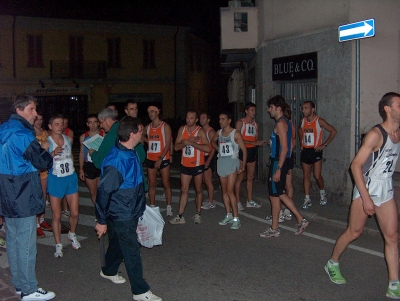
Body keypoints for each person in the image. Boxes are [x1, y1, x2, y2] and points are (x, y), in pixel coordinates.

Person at [325, 92, 400, 299]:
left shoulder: (397, 132)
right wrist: (366, 198)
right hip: (367, 186)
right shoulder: (376, 134)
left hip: (386, 188)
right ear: (388, 109)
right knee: (354, 232)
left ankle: (394, 284)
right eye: (399, 105)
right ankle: (332, 263)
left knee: (393, 237)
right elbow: (355, 165)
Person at [95, 116, 162, 301]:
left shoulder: (130, 150)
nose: (143, 133)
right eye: (141, 130)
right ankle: (140, 291)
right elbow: (103, 193)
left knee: (118, 242)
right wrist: (101, 221)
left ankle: (108, 270)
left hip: (130, 208)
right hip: (121, 212)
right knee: (132, 250)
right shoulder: (115, 161)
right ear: (132, 134)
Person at [0, 95, 55, 300]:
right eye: (31, 109)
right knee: (25, 243)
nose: (35, 114)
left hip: (6, 192)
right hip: (21, 191)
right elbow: (42, 161)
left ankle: (19, 284)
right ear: (20, 110)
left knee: (14, 240)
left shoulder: (3, 129)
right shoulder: (22, 133)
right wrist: (46, 150)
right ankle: (29, 289)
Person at [259, 95, 310, 238]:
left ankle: (300, 219)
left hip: (278, 161)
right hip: (282, 160)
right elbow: (287, 144)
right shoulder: (286, 122)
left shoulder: (281, 123)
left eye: (270, 107)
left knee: (278, 193)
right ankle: (275, 228)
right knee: (275, 195)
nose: (269, 111)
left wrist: (279, 168)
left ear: (278, 108)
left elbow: (286, 148)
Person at [41, 115, 81, 258]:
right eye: (57, 124)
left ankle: (71, 233)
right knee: (57, 215)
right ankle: (58, 244)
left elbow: (70, 156)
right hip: (56, 179)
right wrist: (52, 154)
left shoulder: (69, 139)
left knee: (75, 213)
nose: (60, 126)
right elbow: (41, 163)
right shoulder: (46, 143)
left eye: (62, 123)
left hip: (70, 177)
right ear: (50, 126)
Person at [169, 110, 210, 225]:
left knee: (198, 190)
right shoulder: (182, 129)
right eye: (187, 118)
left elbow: (208, 148)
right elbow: (176, 147)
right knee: (184, 190)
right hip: (185, 164)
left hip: (197, 164)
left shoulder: (200, 131)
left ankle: (198, 213)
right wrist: (186, 142)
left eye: (191, 118)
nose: (189, 120)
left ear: (196, 120)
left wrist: (192, 143)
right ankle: (180, 215)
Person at [212, 112, 246, 229]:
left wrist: (243, 166)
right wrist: (218, 150)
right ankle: (228, 214)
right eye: (219, 119)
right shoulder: (219, 132)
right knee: (224, 191)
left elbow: (244, 150)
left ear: (229, 120)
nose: (220, 121)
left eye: (223, 119)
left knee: (230, 191)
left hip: (232, 162)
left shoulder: (235, 133)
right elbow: (212, 141)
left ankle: (236, 218)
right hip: (221, 162)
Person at [299, 100, 337, 208]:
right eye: (302, 108)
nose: (303, 110)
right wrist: (302, 142)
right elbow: (300, 130)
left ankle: (322, 193)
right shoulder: (302, 121)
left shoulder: (319, 121)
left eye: (306, 108)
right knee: (306, 176)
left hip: (316, 150)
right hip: (306, 150)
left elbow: (333, 131)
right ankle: (307, 198)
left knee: (316, 175)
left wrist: (324, 145)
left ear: (312, 109)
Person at [234, 102, 266, 210]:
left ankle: (249, 200)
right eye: (252, 110)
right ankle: (237, 201)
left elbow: (255, 139)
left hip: (252, 151)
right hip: (242, 151)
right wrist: (254, 143)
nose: (254, 113)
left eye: (254, 110)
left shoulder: (255, 124)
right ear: (246, 111)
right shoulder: (240, 122)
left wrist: (259, 142)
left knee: (250, 177)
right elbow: (237, 138)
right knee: (240, 177)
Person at [144, 105, 173, 215]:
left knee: (166, 183)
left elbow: (168, 143)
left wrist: (161, 158)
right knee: (152, 183)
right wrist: (148, 141)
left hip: (163, 159)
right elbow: (140, 135)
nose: (150, 113)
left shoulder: (165, 126)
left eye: (152, 111)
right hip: (150, 158)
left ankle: (169, 206)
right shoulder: (148, 127)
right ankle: (152, 205)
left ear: (158, 112)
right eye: (149, 112)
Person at [33, 110, 53, 238]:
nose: (39, 121)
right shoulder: (30, 134)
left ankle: (42, 220)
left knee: (44, 196)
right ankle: (36, 226)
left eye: (41, 119)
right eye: (37, 119)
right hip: (35, 170)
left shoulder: (45, 133)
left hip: (44, 170)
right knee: (37, 196)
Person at [79, 114, 104, 204]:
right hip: (89, 165)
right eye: (90, 123)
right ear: (87, 124)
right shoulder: (83, 137)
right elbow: (81, 153)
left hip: (101, 164)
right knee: (93, 191)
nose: (93, 125)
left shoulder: (103, 135)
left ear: (98, 123)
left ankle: (102, 211)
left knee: (101, 191)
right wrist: (81, 169)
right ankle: (98, 212)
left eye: (95, 122)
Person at [200, 112, 217, 209]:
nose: (201, 119)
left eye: (204, 117)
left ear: (208, 120)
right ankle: (209, 199)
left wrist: (208, 160)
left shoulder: (210, 132)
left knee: (208, 180)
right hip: (202, 156)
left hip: (208, 157)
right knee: (203, 179)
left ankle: (211, 201)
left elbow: (214, 147)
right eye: (201, 117)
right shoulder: (201, 131)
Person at [61, 116, 74, 218]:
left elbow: (70, 151)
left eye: (65, 123)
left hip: (68, 168)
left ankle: (67, 209)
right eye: (61, 123)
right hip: (56, 172)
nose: (63, 126)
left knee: (68, 190)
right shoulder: (49, 138)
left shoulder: (69, 135)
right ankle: (63, 209)